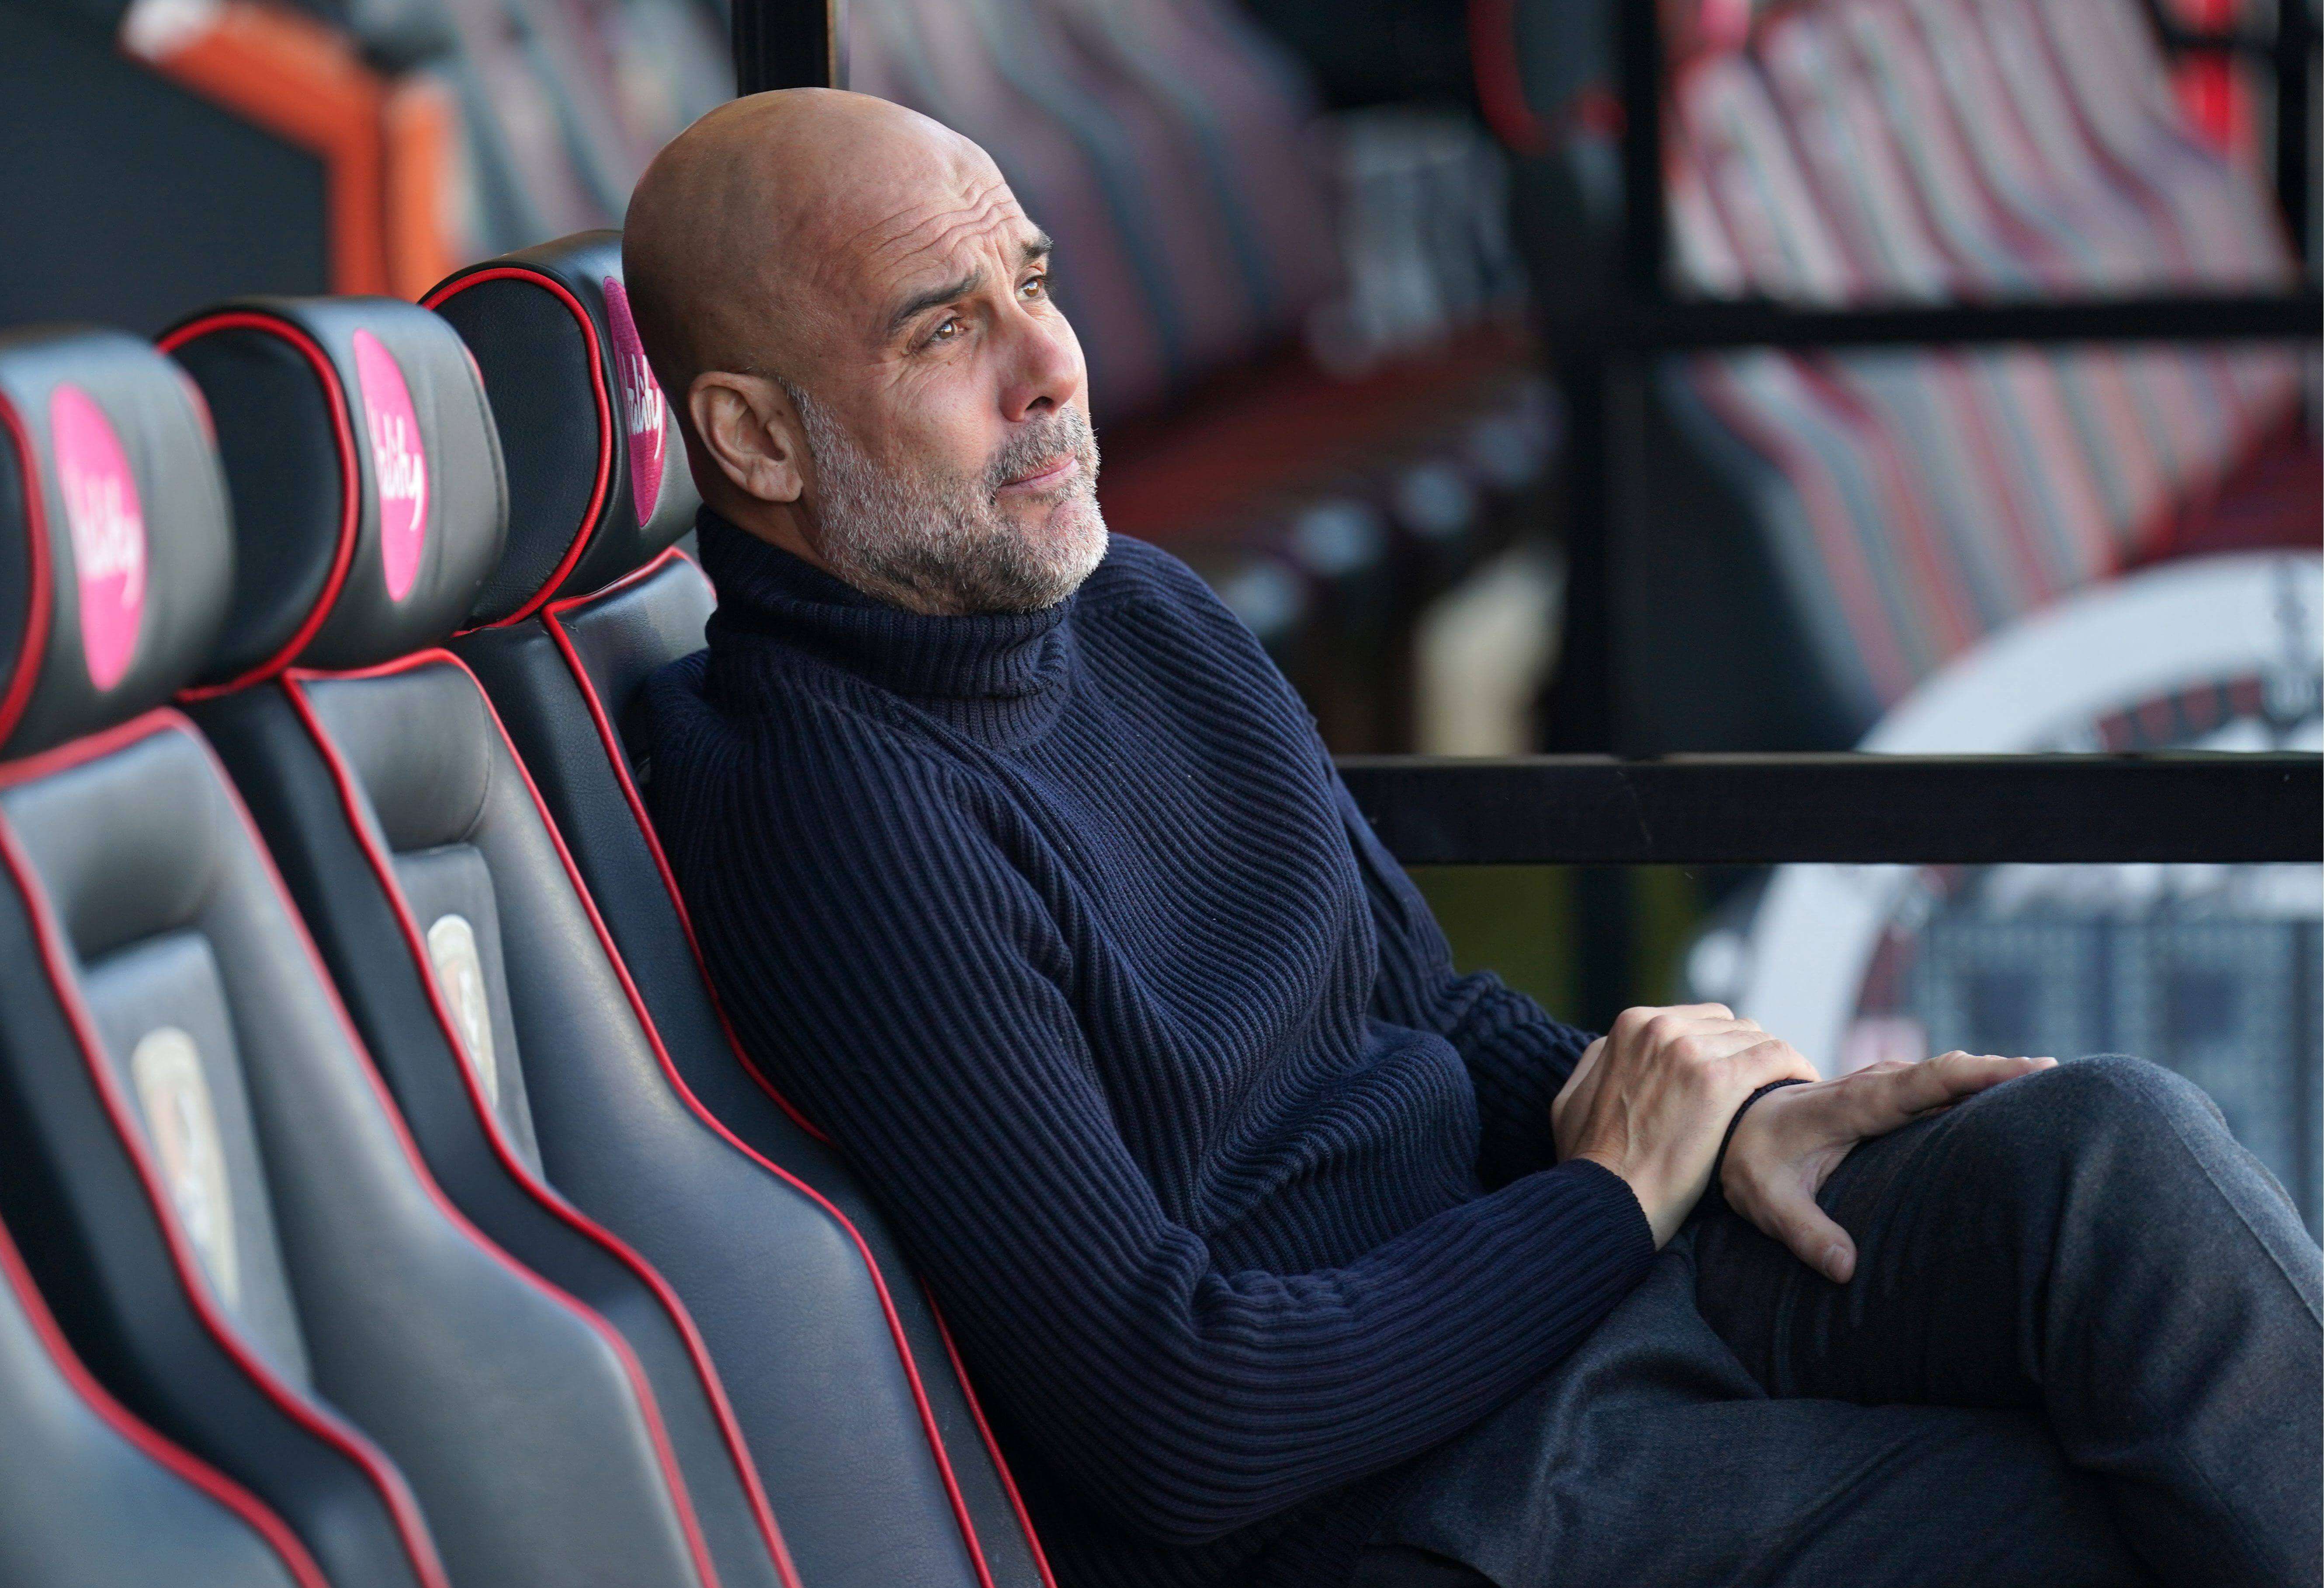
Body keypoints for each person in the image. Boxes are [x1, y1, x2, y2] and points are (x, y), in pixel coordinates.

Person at [624, 88, 2322, 1588]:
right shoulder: (831, 810)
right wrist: (1609, 1198)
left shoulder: (1138, 610)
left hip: (1563, 1309)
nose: (1047, 365)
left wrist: (1737, 1129)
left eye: (1038, 284)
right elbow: (1182, 1419)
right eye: (942, 331)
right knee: (2067, 1515)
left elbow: (1426, 1020)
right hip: (1425, 1506)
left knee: (2106, 1152)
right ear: (755, 439)